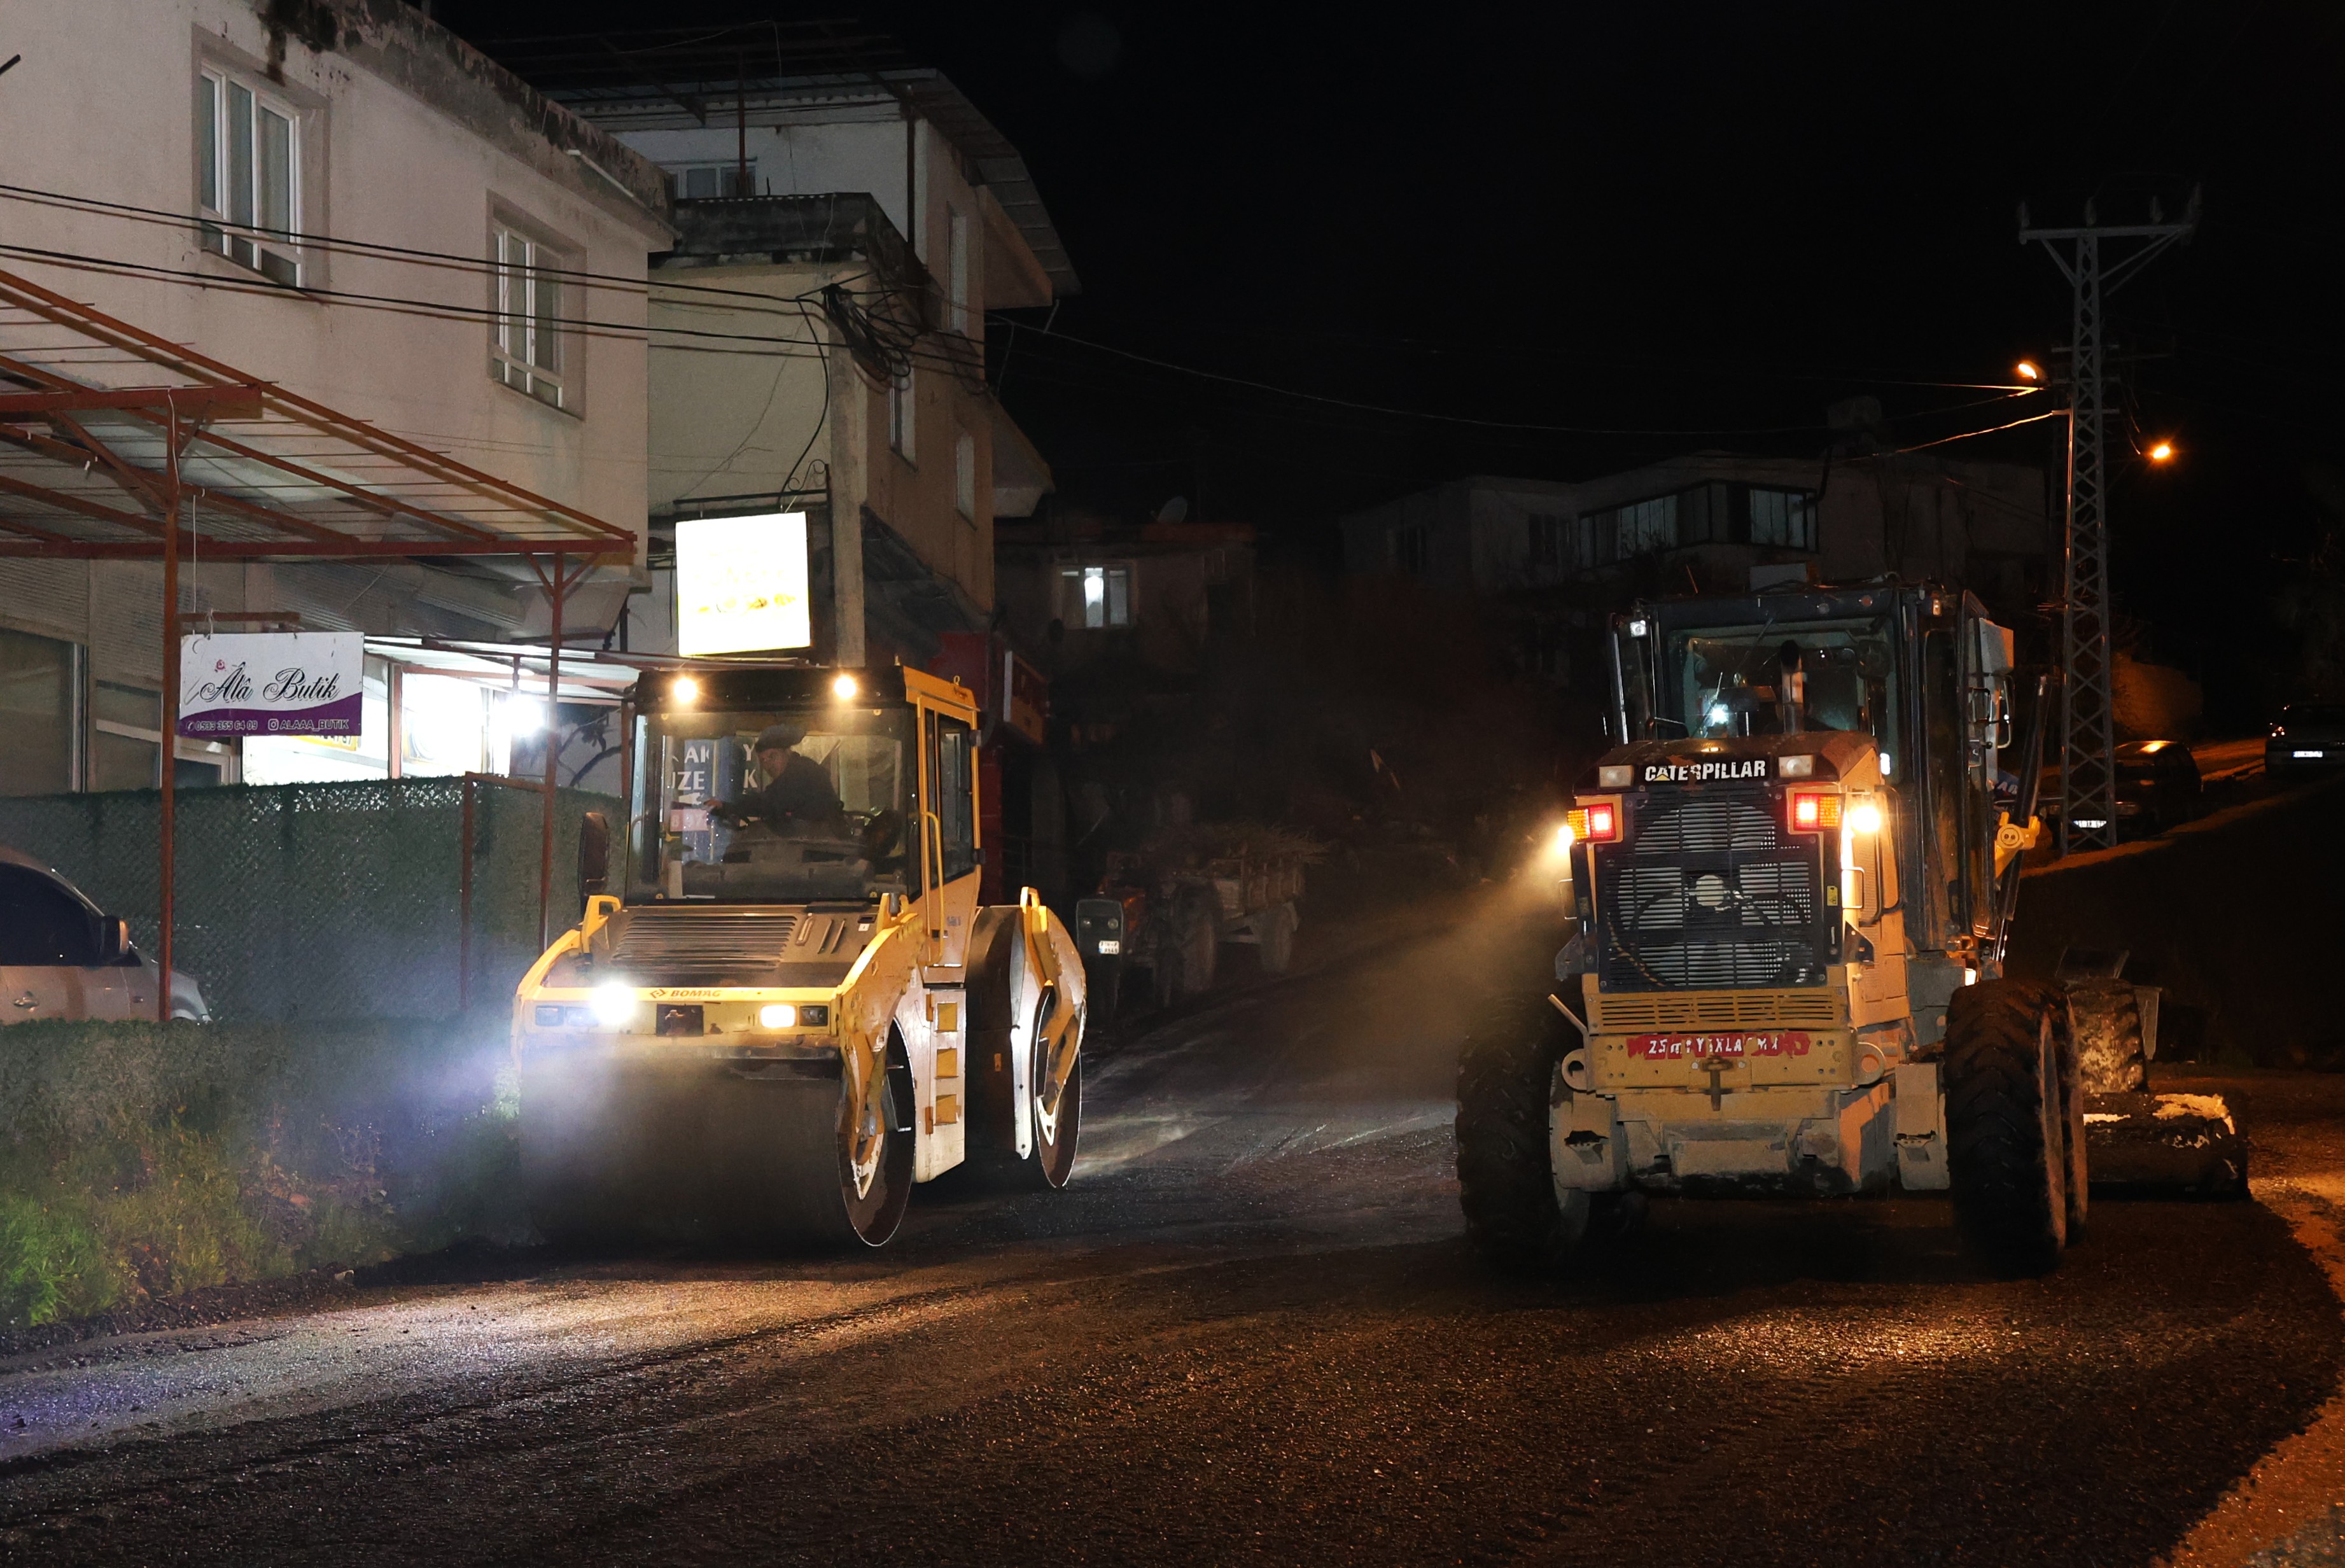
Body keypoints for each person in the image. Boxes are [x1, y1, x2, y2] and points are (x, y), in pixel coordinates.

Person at [718, 723, 848, 836]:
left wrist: (727, 807)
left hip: (822, 850)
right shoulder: (792, 775)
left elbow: (768, 803)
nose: (768, 765)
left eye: (773, 756)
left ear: (788, 753)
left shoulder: (802, 773)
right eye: (763, 760)